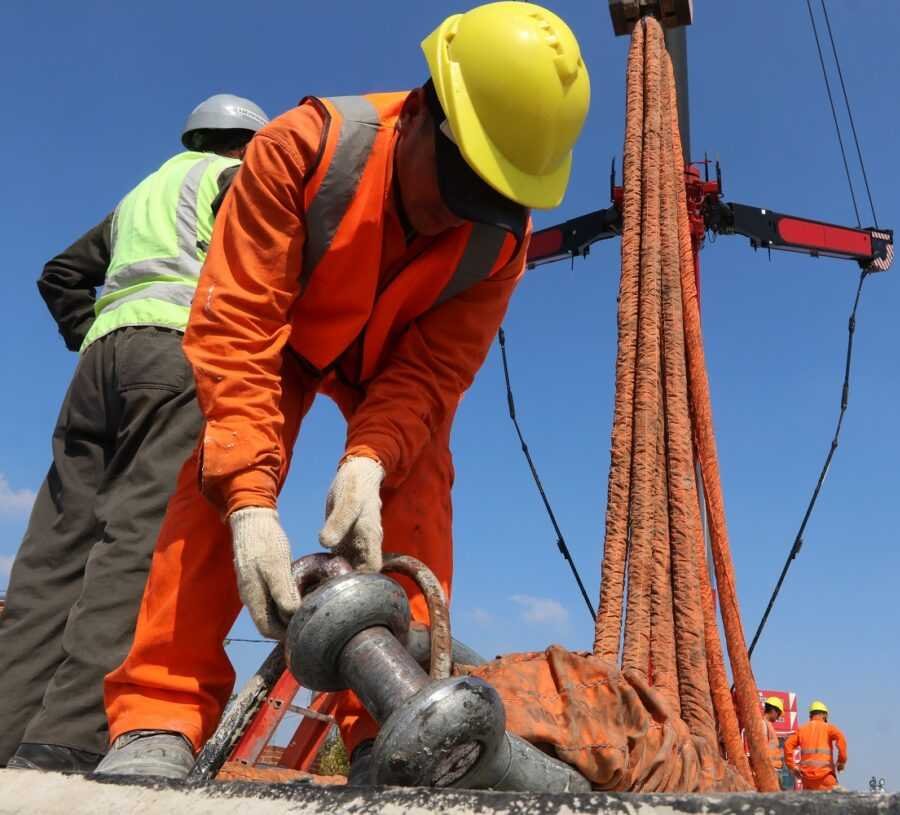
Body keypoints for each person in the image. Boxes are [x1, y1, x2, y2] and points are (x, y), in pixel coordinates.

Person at [93, 1, 590, 780]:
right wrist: (252, 501)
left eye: (488, 196)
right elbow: (239, 326)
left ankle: (391, 728)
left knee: (419, 484)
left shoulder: (500, 241)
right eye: (460, 180)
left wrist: (371, 459)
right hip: (285, 338)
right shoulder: (306, 148)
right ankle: (159, 712)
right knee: (218, 474)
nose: (456, 212)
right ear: (421, 110)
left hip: (388, 365)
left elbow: (431, 374)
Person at [0, 94, 268, 773]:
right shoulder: (227, 178)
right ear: (245, 144)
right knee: (139, 544)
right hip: (178, 358)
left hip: (99, 366)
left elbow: (61, 274)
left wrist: (88, 334)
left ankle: (7, 733)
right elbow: (274, 245)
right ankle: (66, 737)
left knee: (48, 558)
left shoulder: (139, 198)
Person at [784, 699, 847, 791]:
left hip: (806, 779)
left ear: (810, 715)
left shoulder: (802, 729)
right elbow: (842, 740)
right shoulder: (829, 728)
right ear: (825, 715)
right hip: (825, 777)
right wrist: (841, 761)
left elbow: (787, 744)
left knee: (810, 804)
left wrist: (792, 767)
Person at [762, 696, 791, 790]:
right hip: (769, 770)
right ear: (773, 710)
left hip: (773, 770)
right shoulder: (763, 724)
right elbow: (761, 749)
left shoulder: (768, 725)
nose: (778, 717)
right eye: (778, 714)